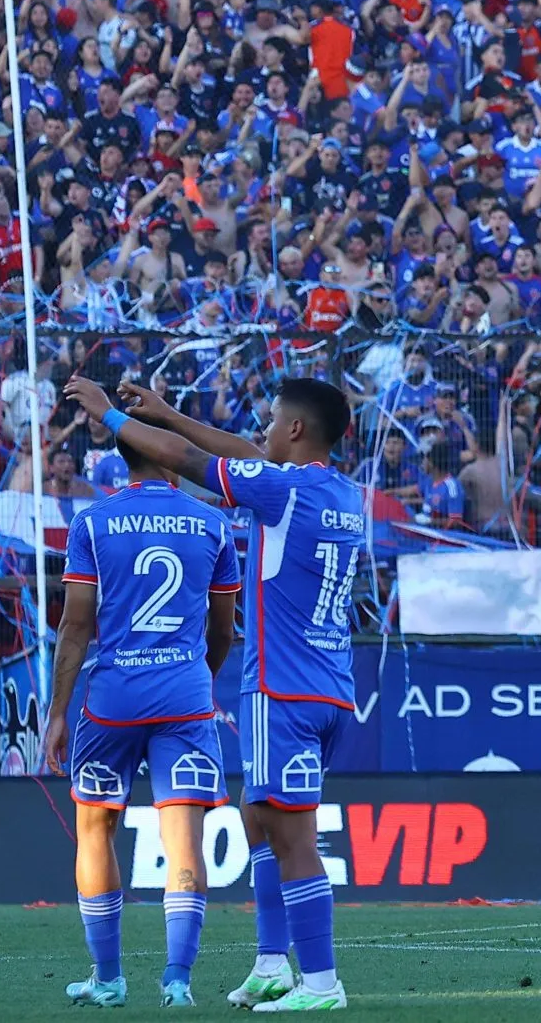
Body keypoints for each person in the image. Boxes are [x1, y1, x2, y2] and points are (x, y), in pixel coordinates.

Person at [69, 373, 362, 1013]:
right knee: (259, 825)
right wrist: (170, 413)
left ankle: (320, 983)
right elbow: (241, 456)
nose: (260, 432)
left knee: (290, 839)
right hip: (330, 685)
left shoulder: (281, 492)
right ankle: (269, 964)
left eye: (270, 421)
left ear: (294, 429)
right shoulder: (338, 491)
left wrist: (111, 418)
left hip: (281, 688)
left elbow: (199, 463)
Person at [41, 433, 242, 1007]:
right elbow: (222, 629)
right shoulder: (210, 524)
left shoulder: (93, 523)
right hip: (184, 698)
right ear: (171, 459)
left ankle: (107, 979)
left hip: (112, 702)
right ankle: (177, 981)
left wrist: (58, 712)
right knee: (183, 840)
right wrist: (196, 675)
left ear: (124, 462)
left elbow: (76, 627)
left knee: (94, 829)